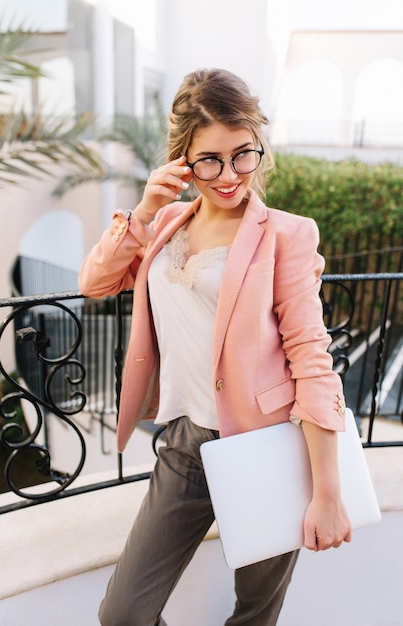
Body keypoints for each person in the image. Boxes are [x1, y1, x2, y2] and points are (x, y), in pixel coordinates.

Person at [79, 68, 352, 626]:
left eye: (243, 155)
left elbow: (310, 356)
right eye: (210, 160)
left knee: (254, 613)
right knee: (123, 614)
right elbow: (96, 283)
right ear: (182, 158)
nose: (229, 175)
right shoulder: (165, 226)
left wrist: (328, 491)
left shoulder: (286, 235)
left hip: (270, 446)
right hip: (185, 445)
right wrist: (143, 212)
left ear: (259, 147)